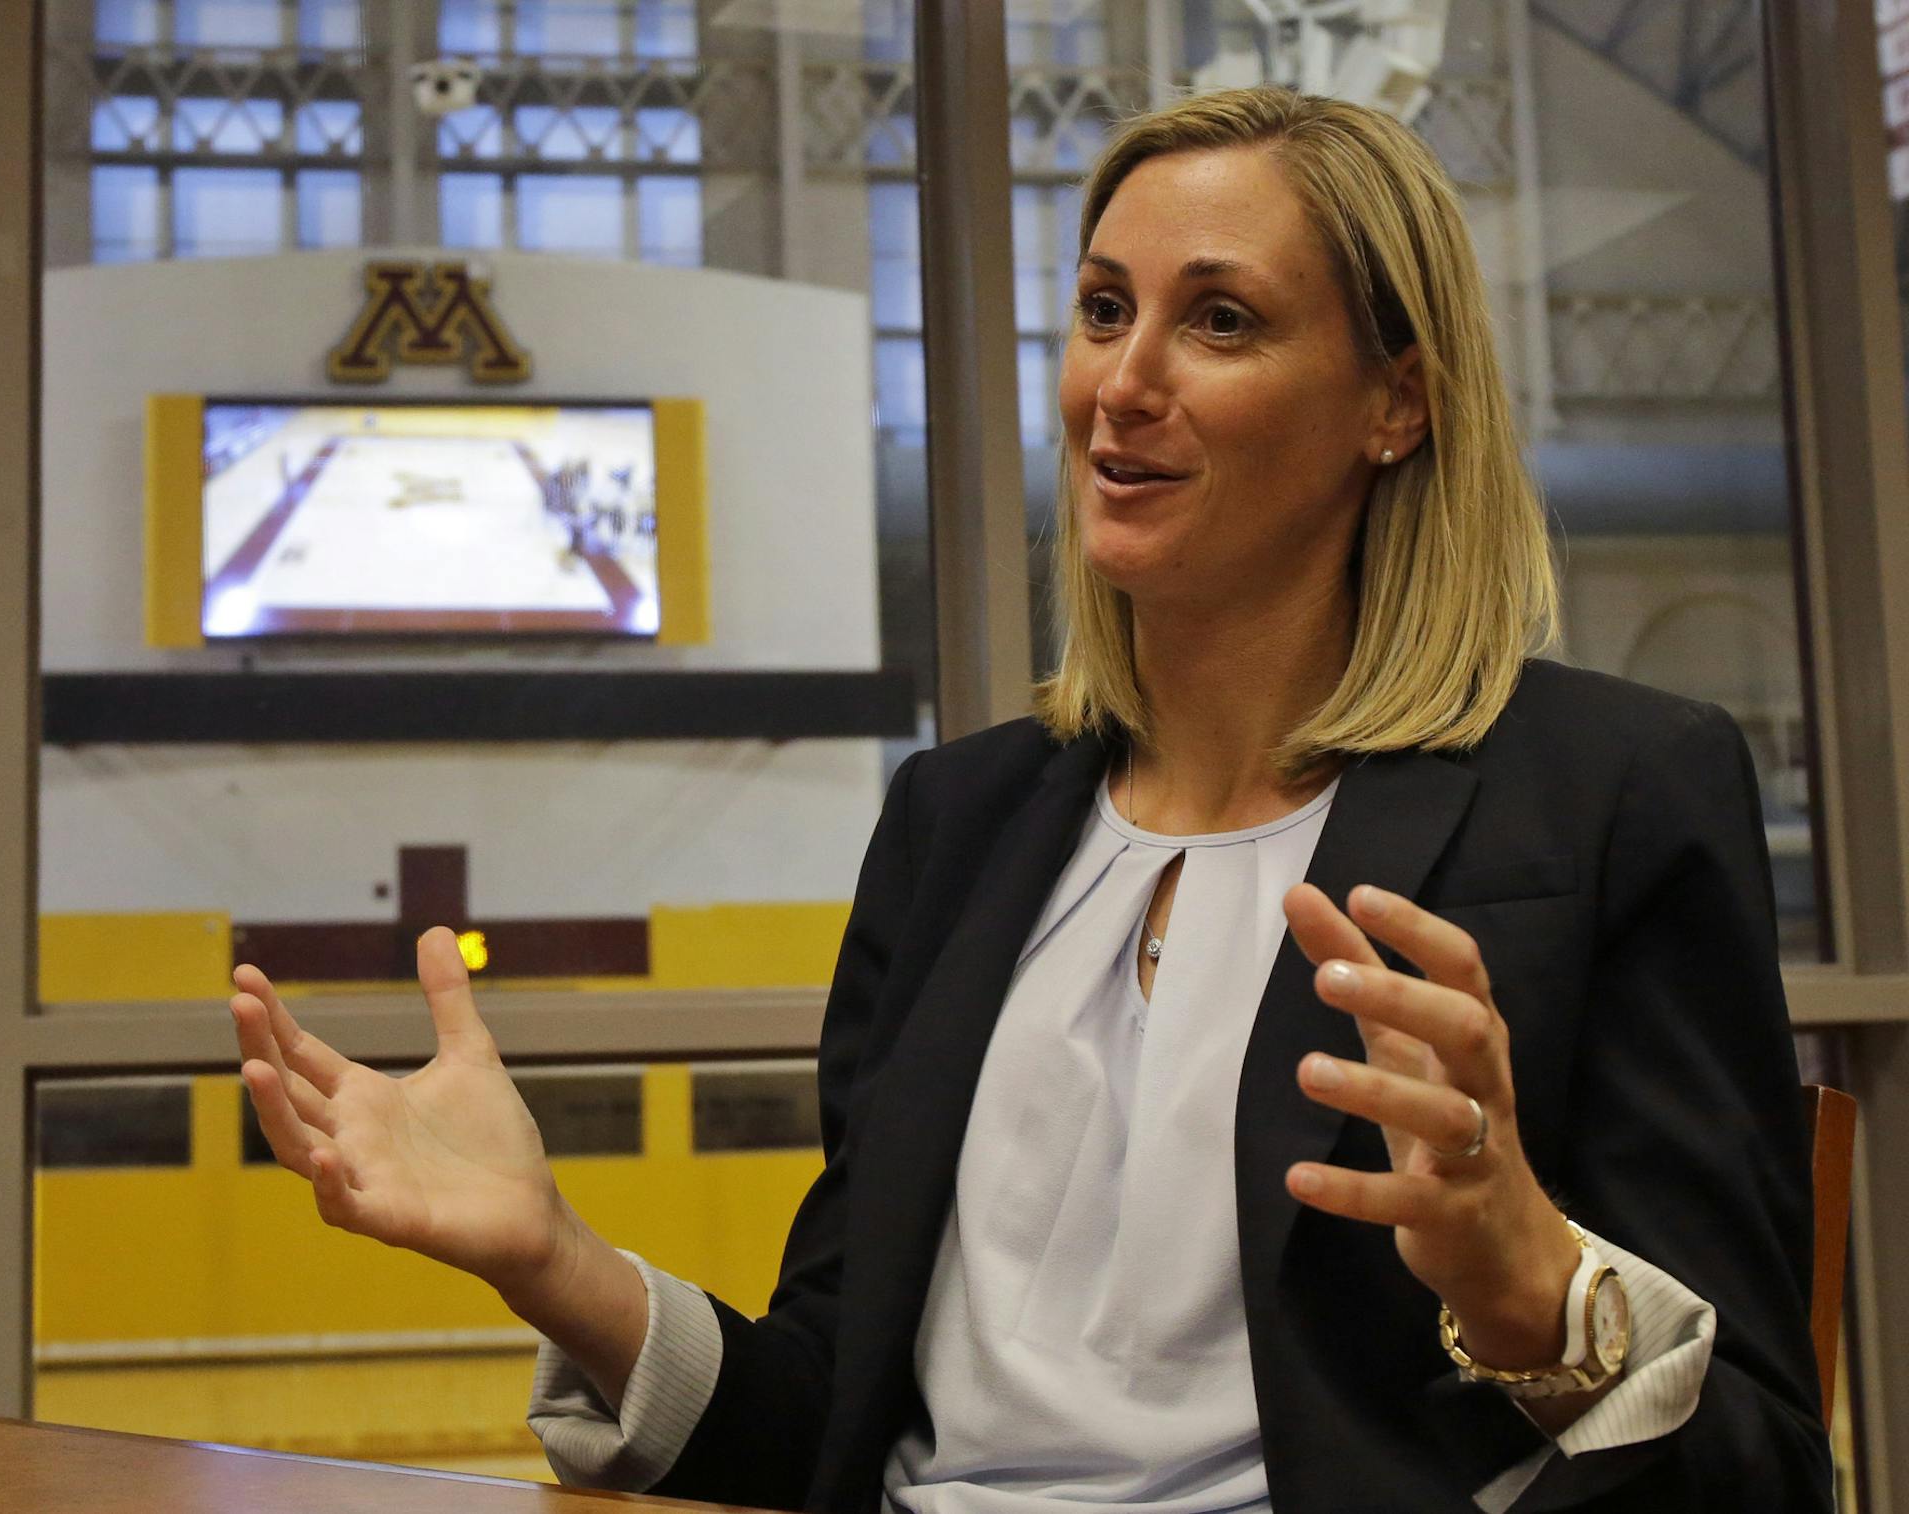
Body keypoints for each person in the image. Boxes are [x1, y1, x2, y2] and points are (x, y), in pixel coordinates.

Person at [229, 87, 1829, 1513]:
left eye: (1218, 322)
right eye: (1101, 310)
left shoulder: (1610, 795)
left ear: (1393, 403)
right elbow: (829, 1423)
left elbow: (1759, 1468)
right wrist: (551, 1257)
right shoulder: (961, 825)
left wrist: (1537, 1287)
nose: (1118, 384)